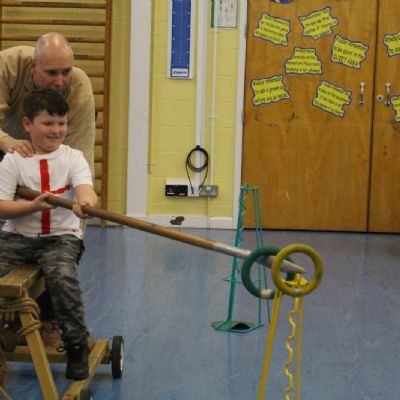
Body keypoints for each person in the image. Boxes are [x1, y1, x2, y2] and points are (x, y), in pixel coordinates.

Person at [0, 89, 98, 380]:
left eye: (61, 123)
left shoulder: (73, 157)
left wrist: (86, 204)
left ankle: (76, 344)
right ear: (28, 124)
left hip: (61, 238)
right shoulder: (13, 160)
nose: (56, 130)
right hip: (17, 237)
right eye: (48, 123)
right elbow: (2, 207)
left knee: (63, 279)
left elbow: (86, 190)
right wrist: (31, 206)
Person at [0, 32, 95, 172]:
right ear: (33, 66)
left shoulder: (79, 85)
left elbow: (82, 155)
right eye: (51, 73)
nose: (59, 82)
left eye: (66, 72)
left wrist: (81, 182)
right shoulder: (7, 65)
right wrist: (6, 141)